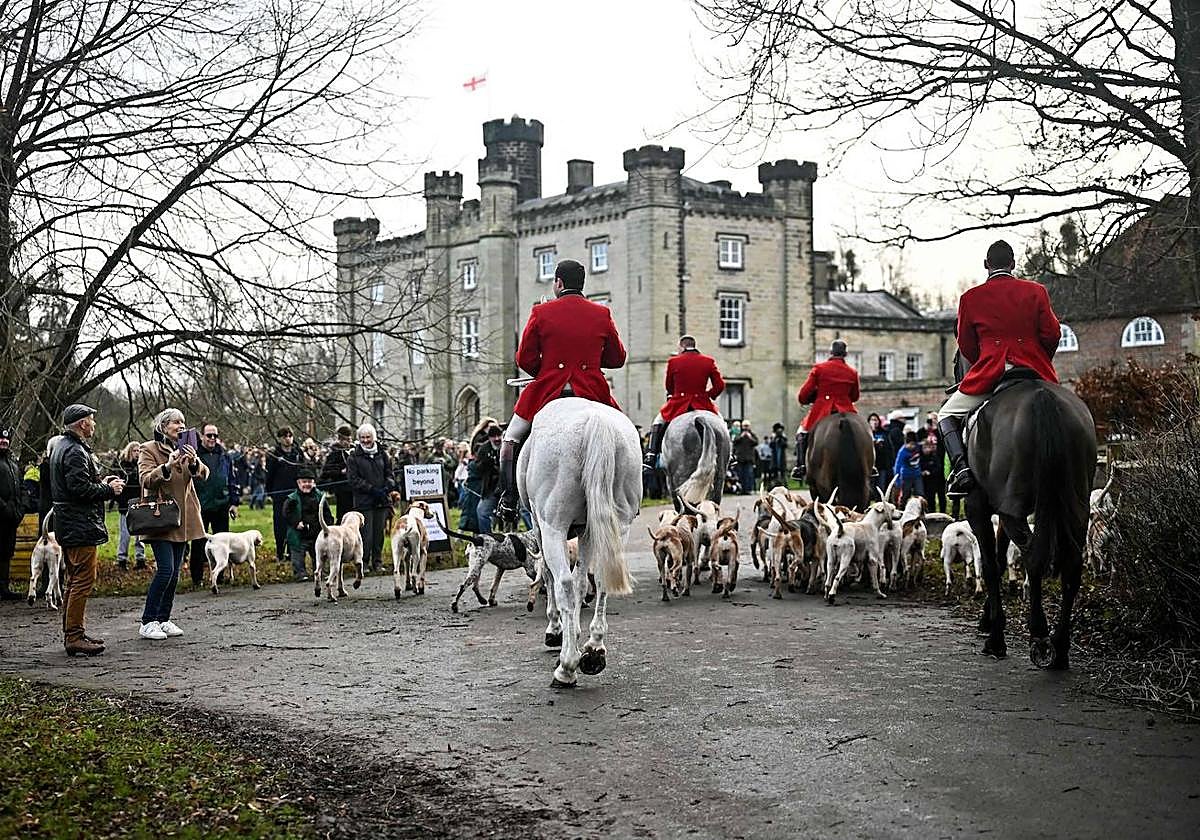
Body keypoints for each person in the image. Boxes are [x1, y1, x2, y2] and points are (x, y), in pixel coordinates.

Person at [497, 259, 627, 522]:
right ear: (582, 284)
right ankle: (628, 498)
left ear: (558, 283)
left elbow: (524, 359)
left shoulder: (541, 312)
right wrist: (589, 361)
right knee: (624, 436)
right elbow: (617, 358)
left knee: (510, 440)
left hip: (548, 392)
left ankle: (509, 501)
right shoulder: (601, 313)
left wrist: (545, 370)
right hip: (591, 391)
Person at [938, 240, 1061, 495]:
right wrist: (1038, 358)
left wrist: (985, 360)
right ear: (1014, 264)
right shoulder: (1036, 291)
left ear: (986, 265)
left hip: (992, 370)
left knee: (945, 414)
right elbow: (1052, 334)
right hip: (1034, 369)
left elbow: (966, 345)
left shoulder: (969, 298)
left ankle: (961, 471)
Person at [50, 405, 125, 656]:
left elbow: (76, 485)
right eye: (91, 420)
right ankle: (74, 636)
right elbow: (79, 489)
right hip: (79, 525)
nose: (94, 424)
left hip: (69, 523)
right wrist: (108, 490)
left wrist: (101, 483)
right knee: (82, 581)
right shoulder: (74, 450)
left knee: (74, 581)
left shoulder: (61, 446)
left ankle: (74, 631)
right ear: (82, 424)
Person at [137, 408, 208, 641]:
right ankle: (148, 621)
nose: (180, 426)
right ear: (163, 426)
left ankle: (163, 618)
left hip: (184, 518)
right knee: (165, 569)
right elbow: (145, 479)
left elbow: (204, 474)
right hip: (161, 516)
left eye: (183, 422)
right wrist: (167, 466)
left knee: (175, 573)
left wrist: (195, 462)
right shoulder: (149, 449)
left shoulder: (187, 449)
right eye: (176, 422)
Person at [641, 335, 726, 468]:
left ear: (682, 347)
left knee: (658, 421)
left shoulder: (674, 362)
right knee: (720, 422)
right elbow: (720, 385)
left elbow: (669, 386)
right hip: (702, 404)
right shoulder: (708, 361)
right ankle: (730, 455)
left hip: (679, 404)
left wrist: (675, 394)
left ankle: (651, 455)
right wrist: (707, 395)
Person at [791, 340, 861, 481]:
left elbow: (803, 395)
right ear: (845, 354)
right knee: (865, 432)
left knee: (802, 433)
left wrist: (814, 396)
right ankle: (870, 466)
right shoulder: (852, 372)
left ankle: (801, 466)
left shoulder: (819, 369)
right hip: (846, 409)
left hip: (823, 410)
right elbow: (855, 396)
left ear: (831, 352)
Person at [189, 423, 240, 587]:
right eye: (209, 435)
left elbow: (232, 480)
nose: (212, 439)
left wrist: (234, 502)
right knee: (198, 543)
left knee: (222, 543)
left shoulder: (225, 456)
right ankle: (197, 578)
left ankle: (219, 576)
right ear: (202, 436)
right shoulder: (194, 455)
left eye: (215, 436)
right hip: (200, 506)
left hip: (221, 505)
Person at [345, 423, 395, 572]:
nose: (366, 440)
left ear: (374, 437)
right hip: (364, 501)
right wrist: (371, 489)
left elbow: (390, 473)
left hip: (381, 500)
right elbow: (353, 479)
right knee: (365, 535)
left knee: (379, 533)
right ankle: (363, 562)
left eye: (368, 437)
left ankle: (377, 562)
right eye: (362, 437)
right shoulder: (354, 456)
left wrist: (387, 486)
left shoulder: (383, 454)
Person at [283, 466, 332, 582]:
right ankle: (300, 573)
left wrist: (327, 527)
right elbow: (286, 513)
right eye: (304, 482)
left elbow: (327, 514)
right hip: (298, 533)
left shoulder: (320, 497)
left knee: (319, 555)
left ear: (314, 483)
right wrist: (296, 523)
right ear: (298, 483)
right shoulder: (292, 498)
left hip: (316, 532)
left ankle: (320, 572)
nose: (307, 484)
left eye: (309, 482)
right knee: (298, 556)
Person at [265, 427, 303, 563]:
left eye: (290, 436)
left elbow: (303, 470)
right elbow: (269, 475)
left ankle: (292, 552)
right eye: (285, 436)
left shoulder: (298, 453)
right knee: (280, 525)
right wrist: (270, 491)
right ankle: (280, 552)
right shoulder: (274, 455)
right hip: (279, 494)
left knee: (294, 523)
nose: (288, 439)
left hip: (295, 494)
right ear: (280, 438)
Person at [113, 442, 146, 570]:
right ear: (129, 451)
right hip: (125, 505)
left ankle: (140, 558)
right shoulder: (121, 467)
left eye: (139, 451)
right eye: (135, 451)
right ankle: (122, 559)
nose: (137, 453)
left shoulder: (141, 466)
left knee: (140, 534)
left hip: (139, 503)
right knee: (125, 534)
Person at [0, 427, 24, 601]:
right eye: (1, 439)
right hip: (2, 515)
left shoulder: (13, 463)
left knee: (7, 553)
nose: (4, 442)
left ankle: (4, 588)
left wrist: (21, 508)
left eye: (6, 440)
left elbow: (21, 488)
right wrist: (5, 508)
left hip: (12, 519)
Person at [319, 425, 355, 522]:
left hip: (354, 488)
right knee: (343, 516)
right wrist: (340, 471)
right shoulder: (334, 453)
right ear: (340, 439)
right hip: (342, 489)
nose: (348, 442)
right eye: (345, 440)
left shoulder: (353, 451)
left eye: (349, 439)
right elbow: (326, 471)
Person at [474, 425, 503, 533]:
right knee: (482, 512)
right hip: (491, 488)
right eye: (493, 436)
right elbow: (477, 469)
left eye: (498, 435)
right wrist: (486, 462)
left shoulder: (509, 446)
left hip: (511, 487)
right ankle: (488, 538)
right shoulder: (484, 449)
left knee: (526, 512)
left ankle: (535, 538)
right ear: (489, 437)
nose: (496, 439)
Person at [922, 413, 947, 513]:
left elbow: (943, 443)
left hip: (939, 465)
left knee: (941, 494)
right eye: (930, 419)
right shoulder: (923, 432)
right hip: (927, 466)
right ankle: (931, 512)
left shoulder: (940, 431)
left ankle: (942, 512)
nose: (932, 421)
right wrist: (925, 429)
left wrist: (936, 428)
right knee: (929, 494)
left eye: (934, 419)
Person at [893, 430, 924, 504]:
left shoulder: (918, 447)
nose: (911, 446)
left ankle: (920, 509)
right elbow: (897, 466)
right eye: (909, 444)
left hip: (917, 475)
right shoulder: (902, 452)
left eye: (913, 444)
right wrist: (897, 480)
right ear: (905, 443)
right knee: (905, 495)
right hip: (906, 476)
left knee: (920, 493)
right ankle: (902, 508)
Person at [868, 413, 895, 494]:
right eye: (872, 420)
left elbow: (889, 448)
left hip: (882, 464)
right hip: (870, 464)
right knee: (870, 487)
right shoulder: (866, 433)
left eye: (876, 420)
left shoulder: (884, 433)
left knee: (881, 487)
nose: (874, 422)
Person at [732, 423, 759, 495]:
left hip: (749, 459)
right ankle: (741, 489)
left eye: (747, 426)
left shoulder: (752, 435)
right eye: (744, 426)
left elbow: (756, 442)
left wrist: (750, 438)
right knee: (740, 475)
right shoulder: (739, 434)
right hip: (740, 458)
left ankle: (748, 489)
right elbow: (734, 442)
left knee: (749, 475)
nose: (746, 427)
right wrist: (741, 436)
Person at [767, 423, 789, 488]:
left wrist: (781, 438)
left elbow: (785, 445)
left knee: (783, 472)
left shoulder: (783, 438)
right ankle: (773, 485)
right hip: (775, 458)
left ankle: (784, 485)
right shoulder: (773, 438)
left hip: (781, 459)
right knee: (774, 472)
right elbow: (771, 445)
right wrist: (774, 439)